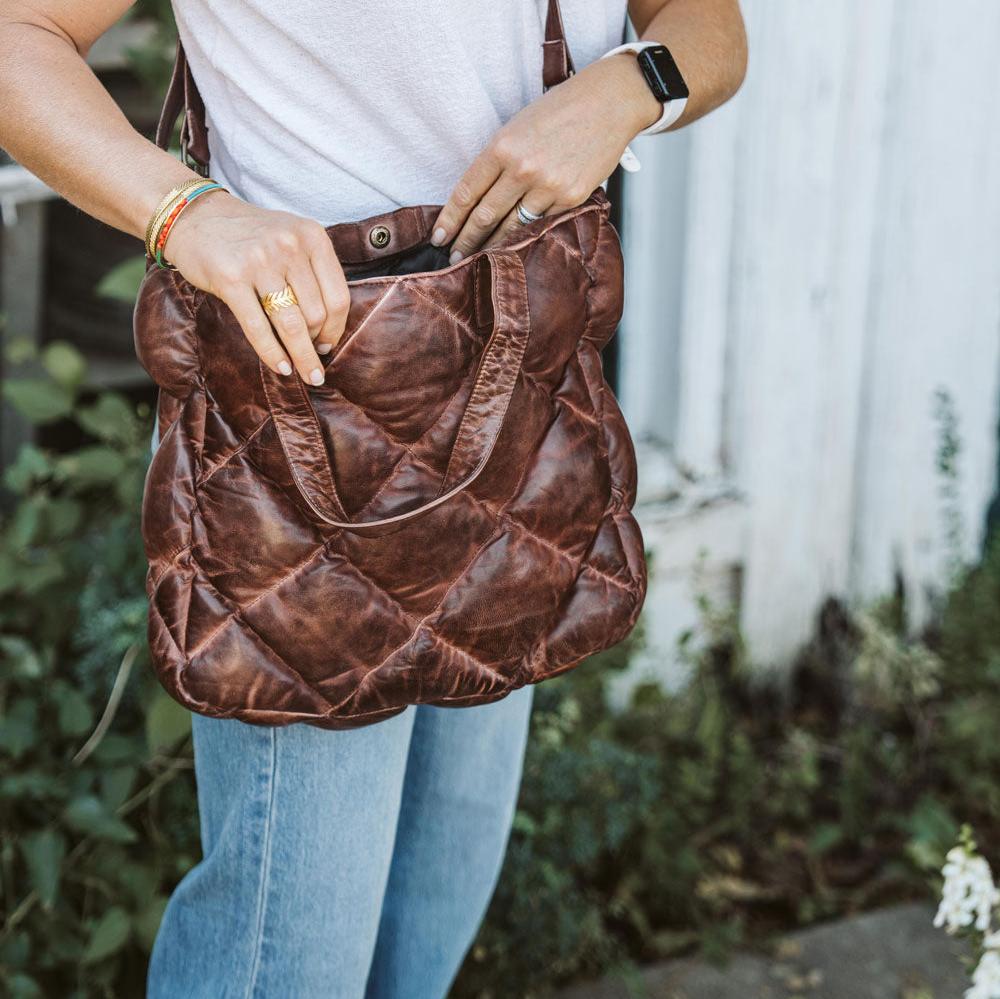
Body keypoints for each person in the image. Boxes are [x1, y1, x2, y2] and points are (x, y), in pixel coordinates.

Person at [0, 1, 746, 995]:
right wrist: (185, 212)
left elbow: (707, 27)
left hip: (516, 404)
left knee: (432, 918)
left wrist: (627, 84)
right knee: (291, 956)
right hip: (303, 410)